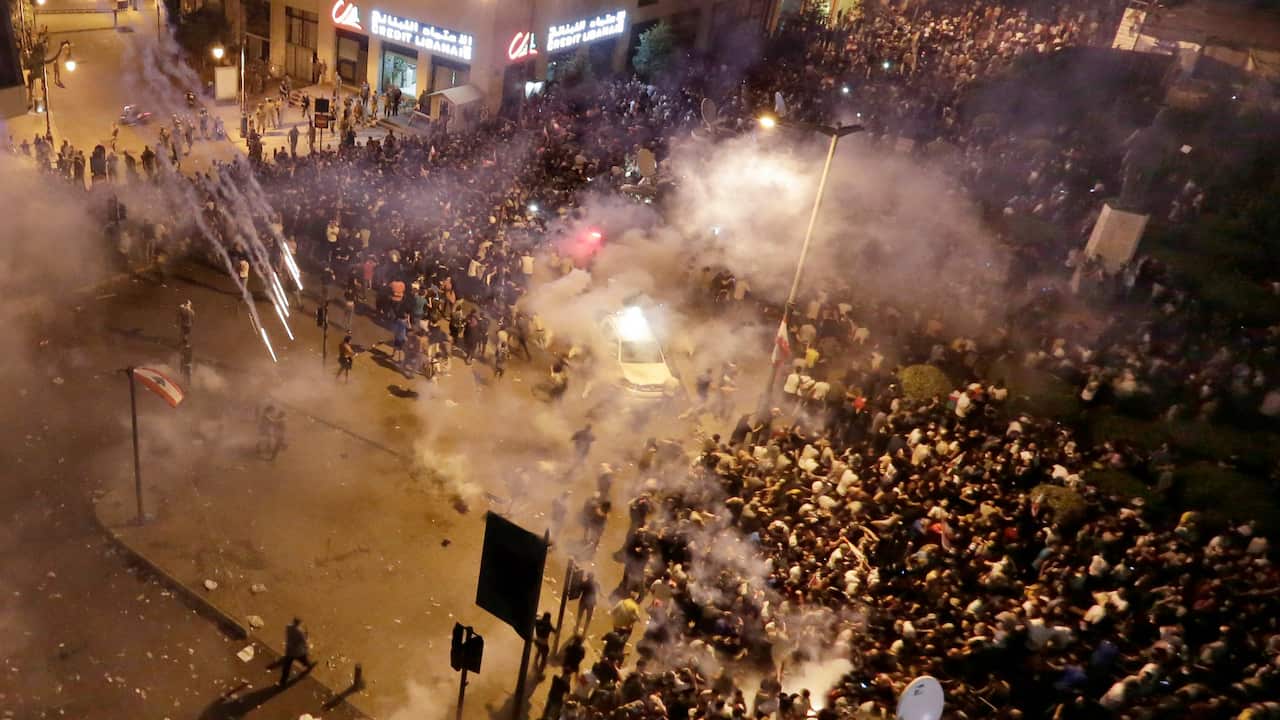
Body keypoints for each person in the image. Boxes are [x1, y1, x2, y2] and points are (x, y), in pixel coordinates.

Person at [275, 618, 315, 686]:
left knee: (287, 667)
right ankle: (309, 665)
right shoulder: (299, 632)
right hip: (297, 652)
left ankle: (283, 682)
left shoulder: (288, 627)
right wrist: (306, 635)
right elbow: (304, 641)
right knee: (302, 660)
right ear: (298, 623)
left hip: (289, 651)